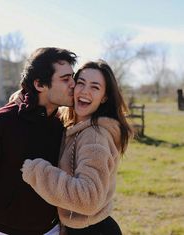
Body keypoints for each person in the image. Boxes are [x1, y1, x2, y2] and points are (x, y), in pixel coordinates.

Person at [0, 47, 77, 235]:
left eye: (72, 77)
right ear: (39, 84)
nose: (73, 84)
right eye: (65, 79)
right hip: (1, 231)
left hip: (51, 229)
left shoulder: (62, 126)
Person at [21, 60, 133, 235]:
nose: (85, 90)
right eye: (81, 83)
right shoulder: (76, 127)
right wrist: (24, 98)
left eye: (95, 87)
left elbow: (88, 198)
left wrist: (37, 171)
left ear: (104, 97)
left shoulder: (94, 135)